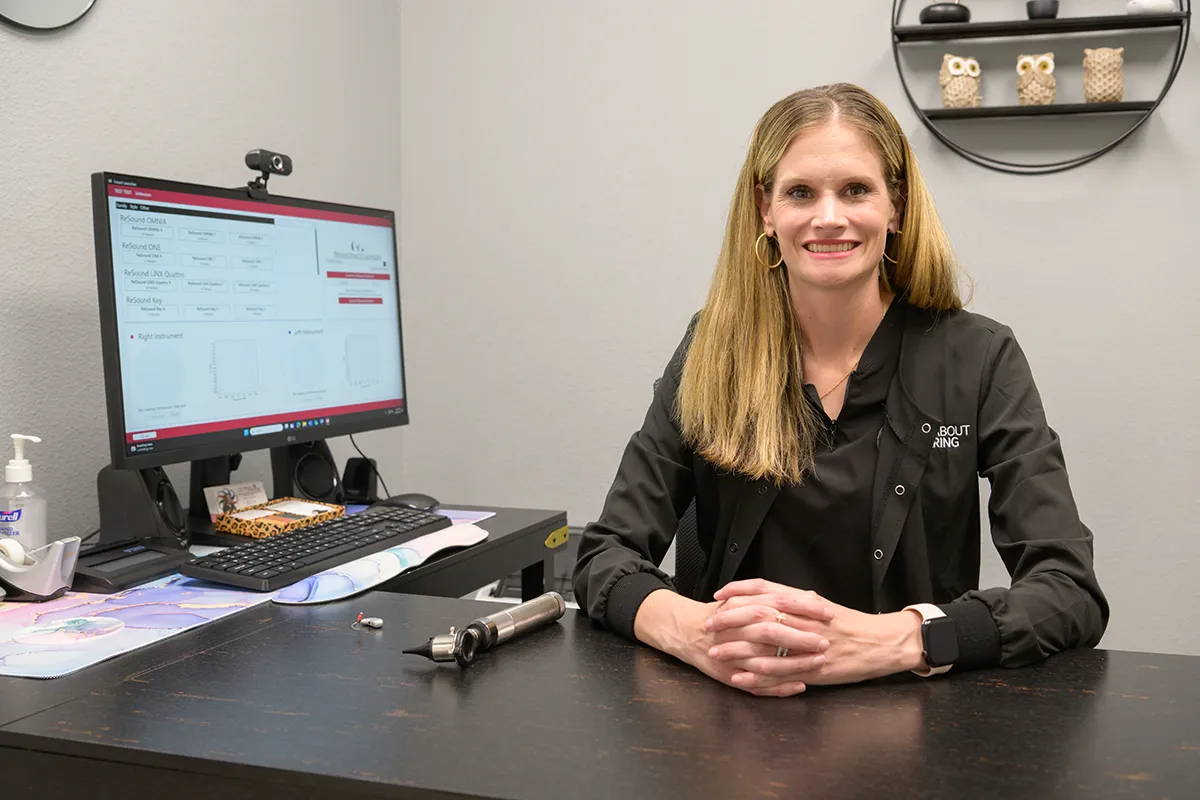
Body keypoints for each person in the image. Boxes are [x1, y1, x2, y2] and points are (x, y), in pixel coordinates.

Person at [571, 83, 1108, 697]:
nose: (829, 217)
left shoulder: (980, 358)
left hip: (915, 719)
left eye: (856, 189)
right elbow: (604, 556)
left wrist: (898, 640)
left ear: (896, 206)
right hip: (735, 715)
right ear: (764, 211)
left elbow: (1069, 592)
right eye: (800, 192)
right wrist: (697, 631)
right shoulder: (711, 349)